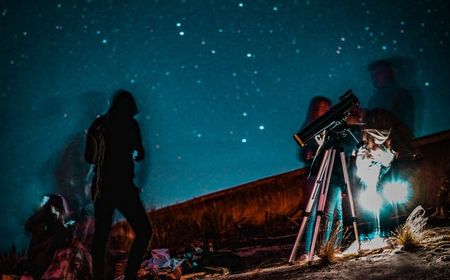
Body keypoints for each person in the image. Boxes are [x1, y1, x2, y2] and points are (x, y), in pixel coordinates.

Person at [85, 90, 152, 280]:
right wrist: (129, 153)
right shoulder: (131, 124)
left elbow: (89, 157)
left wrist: (104, 155)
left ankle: (99, 277)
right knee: (143, 230)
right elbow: (139, 155)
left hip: (102, 187)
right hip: (122, 186)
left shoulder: (98, 125)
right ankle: (130, 275)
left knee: (101, 236)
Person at [299, 96, 345, 260]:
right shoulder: (310, 129)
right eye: (321, 107)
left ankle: (329, 248)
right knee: (311, 213)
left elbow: (340, 156)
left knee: (332, 213)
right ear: (314, 110)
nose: (324, 110)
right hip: (316, 173)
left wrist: (343, 184)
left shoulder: (334, 130)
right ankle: (308, 251)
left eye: (327, 107)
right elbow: (302, 152)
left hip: (334, 176)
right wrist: (308, 152)